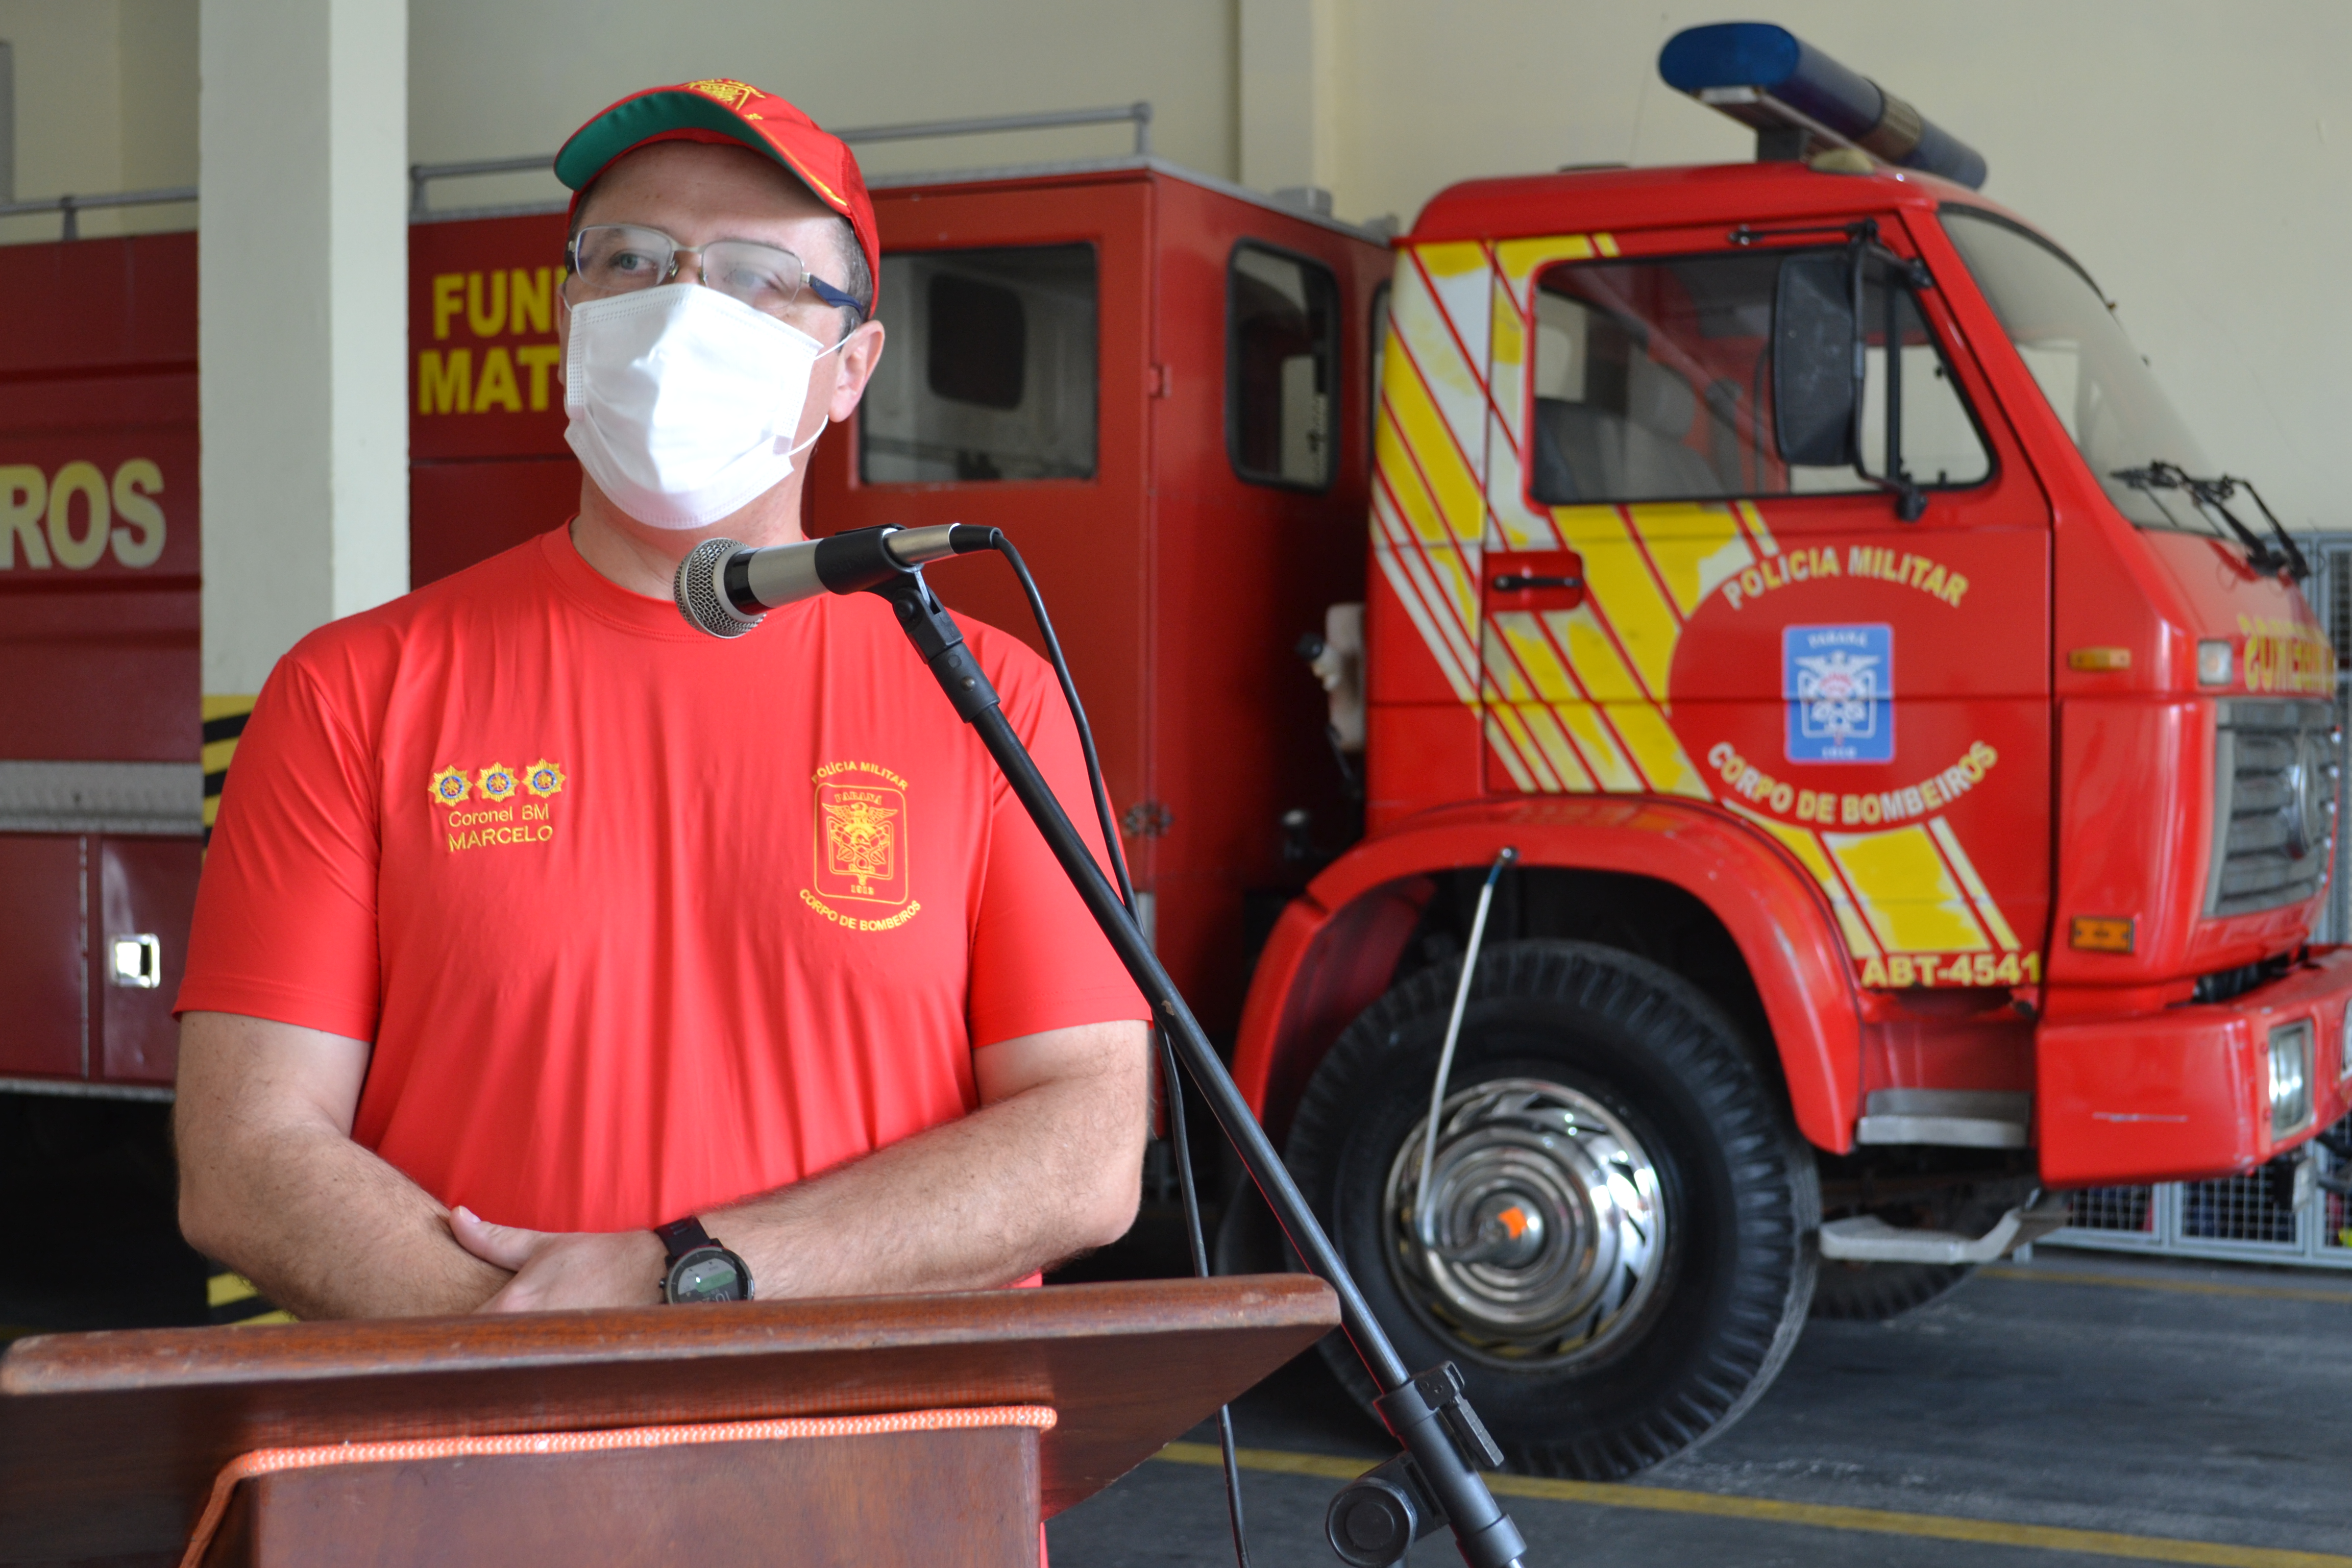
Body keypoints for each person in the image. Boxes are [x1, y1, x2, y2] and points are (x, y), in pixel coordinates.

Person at [173, 79, 1152, 1319]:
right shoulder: (354, 692)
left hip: (890, 1433)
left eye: (756, 277)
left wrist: (692, 1278)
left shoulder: (991, 698)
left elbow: (1085, 1142)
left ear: (850, 369)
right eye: (631, 260)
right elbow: (248, 1152)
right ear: (568, 315)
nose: (683, 308)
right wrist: (535, 1358)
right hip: (479, 1430)